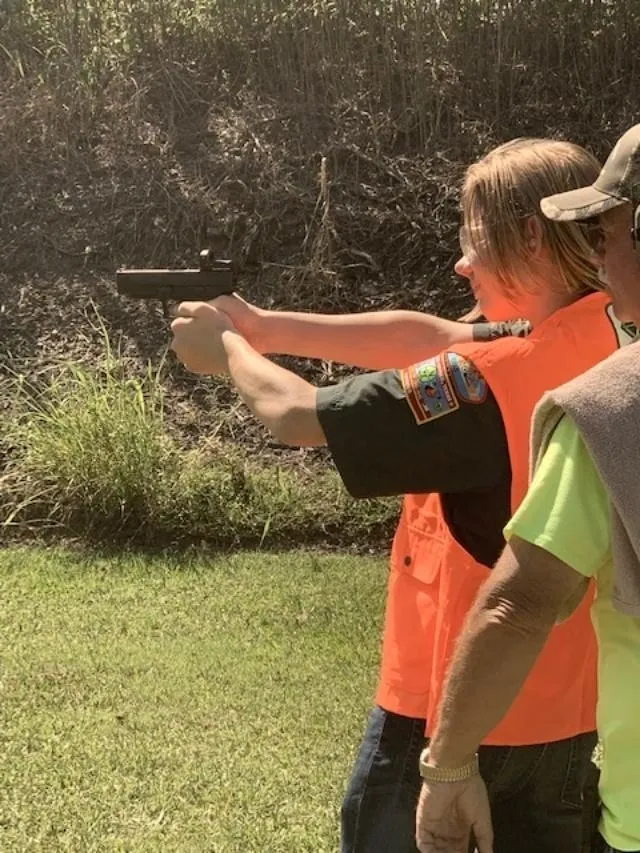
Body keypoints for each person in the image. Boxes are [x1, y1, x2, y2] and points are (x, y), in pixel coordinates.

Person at [169, 138, 635, 853]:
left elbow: (298, 416)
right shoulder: (607, 339)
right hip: (568, 719)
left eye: (473, 242)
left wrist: (230, 350)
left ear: (532, 237)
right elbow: (436, 336)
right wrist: (263, 323)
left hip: (457, 718)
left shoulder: (487, 382)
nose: (461, 262)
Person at [414, 123, 640, 853]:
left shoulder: (616, 405)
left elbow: (518, 603)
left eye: (608, 235)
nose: (600, 259)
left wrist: (447, 767)